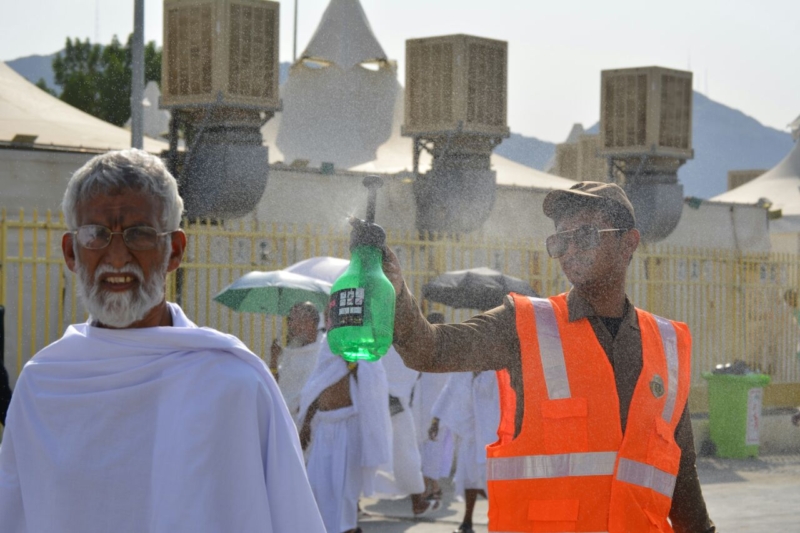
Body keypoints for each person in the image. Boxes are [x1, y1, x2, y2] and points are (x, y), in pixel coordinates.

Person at [0, 149, 326, 533]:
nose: (117, 257)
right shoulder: (43, 386)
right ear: (71, 252)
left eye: (139, 234)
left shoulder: (233, 387)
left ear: (175, 250)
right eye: (96, 235)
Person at [383, 181, 717, 532]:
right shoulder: (524, 325)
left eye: (585, 235)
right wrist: (394, 292)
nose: (569, 250)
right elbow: (431, 349)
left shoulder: (665, 345)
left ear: (628, 242)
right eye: (559, 240)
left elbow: (682, 472)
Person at [298, 342, 392, 533]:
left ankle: (348, 529)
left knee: (344, 494)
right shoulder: (327, 345)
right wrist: (306, 423)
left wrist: (352, 364)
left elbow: (373, 383)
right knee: (315, 488)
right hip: (324, 427)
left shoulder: (365, 345)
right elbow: (317, 383)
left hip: (350, 426)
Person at [430, 370, 499, 533]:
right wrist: (435, 419)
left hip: (492, 435)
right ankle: (467, 523)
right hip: (469, 434)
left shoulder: (495, 372)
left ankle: (502, 519)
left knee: (492, 480)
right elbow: (448, 391)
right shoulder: (461, 371)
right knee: (468, 477)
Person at [410, 312, 454, 511]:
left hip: (439, 408)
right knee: (425, 446)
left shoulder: (447, 352)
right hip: (422, 406)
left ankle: (433, 487)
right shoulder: (420, 348)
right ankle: (428, 486)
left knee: (434, 447)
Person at [270, 301, 324, 422]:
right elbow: (276, 387)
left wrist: (306, 423)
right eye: (291, 320)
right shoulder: (292, 349)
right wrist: (273, 359)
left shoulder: (323, 350)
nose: (292, 325)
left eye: (297, 320)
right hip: (285, 419)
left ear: (312, 323)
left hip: (310, 425)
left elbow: (319, 391)